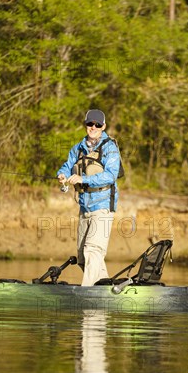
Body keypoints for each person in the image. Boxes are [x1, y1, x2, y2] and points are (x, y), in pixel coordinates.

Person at [57, 109, 121, 286]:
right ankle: (104, 290)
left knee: (93, 250)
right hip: (85, 207)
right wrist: (62, 175)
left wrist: (83, 179)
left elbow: (110, 175)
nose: (93, 127)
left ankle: (88, 295)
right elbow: (67, 166)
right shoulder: (77, 148)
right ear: (85, 124)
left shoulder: (110, 148)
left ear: (103, 126)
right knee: (82, 257)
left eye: (97, 124)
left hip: (103, 206)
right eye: (90, 124)